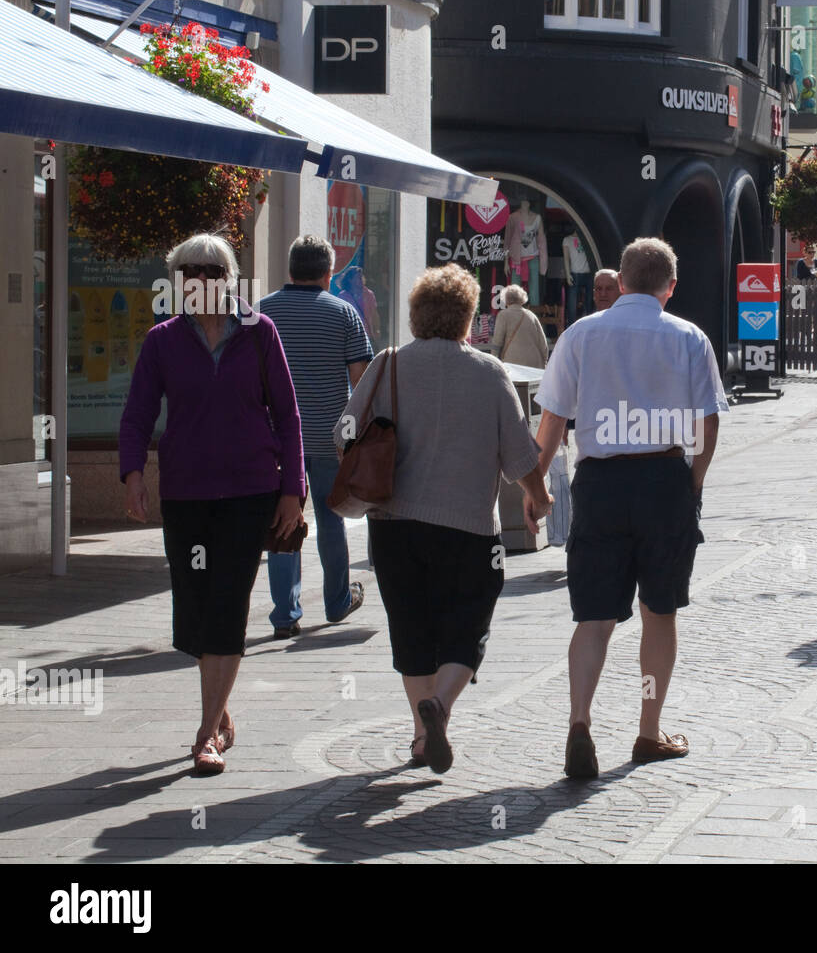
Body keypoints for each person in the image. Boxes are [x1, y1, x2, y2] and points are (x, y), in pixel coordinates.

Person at [334, 265, 553, 774]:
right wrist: (538, 500)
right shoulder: (489, 372)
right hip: (468, 531)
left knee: (410, 627)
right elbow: (521, 457)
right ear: (468, 317)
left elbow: (343, 430)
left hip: (394, 525)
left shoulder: (387, 364)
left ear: (415, 314)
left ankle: (418, 732)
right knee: (466, 626)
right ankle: (441, 708)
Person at [533, 237, 727, 778]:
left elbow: (551, 423)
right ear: (670, 286)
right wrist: (693, 480)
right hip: (663, 478)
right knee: (658, 612)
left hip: (599, 482)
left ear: (619, 283)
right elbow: (708, 423)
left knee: (594, 616)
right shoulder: (688, 337)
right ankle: (647, 730)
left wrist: (535, 488)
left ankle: (579, 721)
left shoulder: (580, 335)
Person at [120, 233, 306, 775]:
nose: (201, 279)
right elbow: (136, 414)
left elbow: (288, 414)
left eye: (211, 270)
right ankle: (220, 709)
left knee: (228, 604)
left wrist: (292, 489)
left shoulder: (260, 333)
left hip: (251, 492)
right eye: (190, 272)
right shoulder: (162, 341)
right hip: (186, 493)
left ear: (228, 278)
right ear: (178, 282)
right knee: (196, 617)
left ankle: (205, 735)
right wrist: (133, 473)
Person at [259, 236, 371, 639]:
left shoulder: (262, 312)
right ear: (329, 272)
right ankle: (337, 600)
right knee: (331, 521)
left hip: (276, 444)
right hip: (329, 439)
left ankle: (285, 615)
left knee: (283, 523)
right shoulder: (344, 313)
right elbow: (361, 382)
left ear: (289, 270)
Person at [490, 284, 549, 368]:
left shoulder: (503, 315)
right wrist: (544, 361)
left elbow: (497, 341)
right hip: (534, 364)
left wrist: (494, 359)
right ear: (522, 299)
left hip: (513, 363)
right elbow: (543, 343)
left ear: (506, 300)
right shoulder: (531, 315)